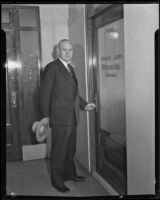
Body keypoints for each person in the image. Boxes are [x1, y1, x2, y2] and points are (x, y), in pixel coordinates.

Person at [40, 39, 96, 193]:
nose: (68, 53)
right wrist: (45, 116)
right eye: (64, 50)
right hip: (59, 118)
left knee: (70, 149)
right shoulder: (52, 68)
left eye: (70, 50)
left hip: (72, 117)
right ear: (58, 50)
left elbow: (74, 94)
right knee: (59, 151)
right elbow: (44, 94)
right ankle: (57, 181)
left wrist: (84, 105)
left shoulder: (70, 68)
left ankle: (70, 174)